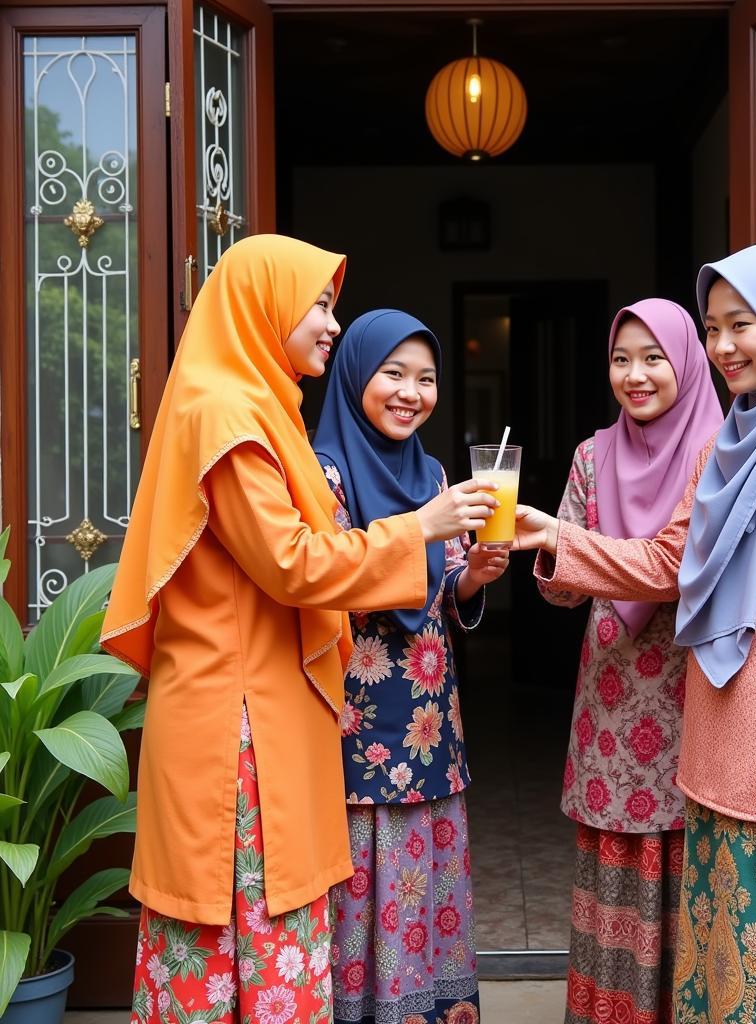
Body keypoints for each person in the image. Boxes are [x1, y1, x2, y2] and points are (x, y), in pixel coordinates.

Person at [101, 237, 497, 1024]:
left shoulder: (259, 405)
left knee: (260, 931)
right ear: (263, 305)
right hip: (236, 723)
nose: (330, 323)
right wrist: (418, 529)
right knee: (240, 931)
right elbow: (290, 563)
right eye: (317, 304)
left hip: (260, 704)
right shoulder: (229, 417)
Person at [516, 244, 756, 1024]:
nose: (721, 347)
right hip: (716, 742)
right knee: (725, 968)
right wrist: (554, 534)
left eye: (741, 325)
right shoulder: (733, 438)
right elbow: (664, 562)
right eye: (712, 328)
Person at [313, 309, 507, 1024]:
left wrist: (474, 577)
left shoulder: (433, 473)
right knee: (366, 881)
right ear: (357, 374)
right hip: (355, 722)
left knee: (423, 879)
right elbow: (324, 581)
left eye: (426, 379)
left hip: (430, 722)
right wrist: (420, 529)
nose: (410, 392)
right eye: (393, 373)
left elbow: (440, 590)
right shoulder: (320, 472)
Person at [535, 299, 721, 1024]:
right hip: (612, 700)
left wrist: (563, 541)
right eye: (620, 359)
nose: (635, 375)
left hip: (692, 692)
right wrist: (538, 555)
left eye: (653, 358)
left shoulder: (722, 451)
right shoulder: (592, 455)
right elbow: (562, 592)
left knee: (688, 870)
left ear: (687, 361)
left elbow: (679, 569)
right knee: (615, 868)